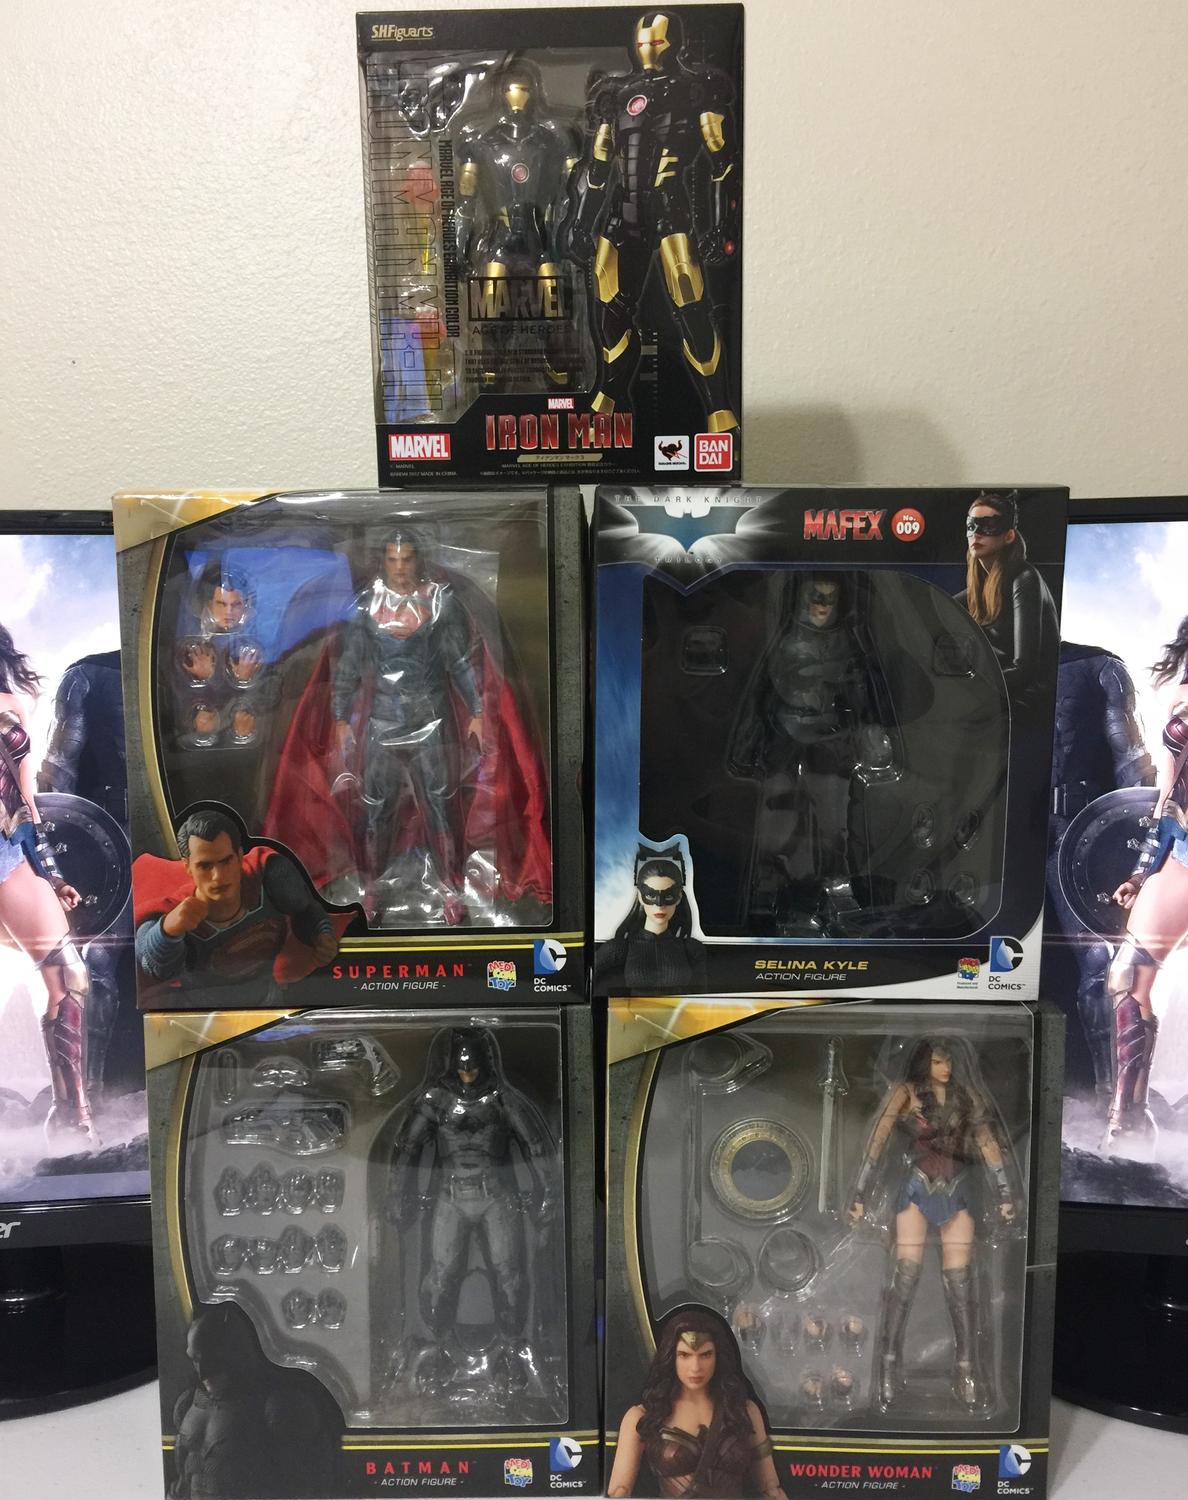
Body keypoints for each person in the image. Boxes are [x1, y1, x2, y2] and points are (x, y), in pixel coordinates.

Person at [562, 10, 740, 433]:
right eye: (643, 43)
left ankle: (718, 407)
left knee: (689, 297)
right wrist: (581, 223)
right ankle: (610, 392)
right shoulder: (616, 93)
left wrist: (723, 225)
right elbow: (598, 168)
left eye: (656, 42)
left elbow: (723, 163)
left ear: (674, 43)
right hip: (621, 211)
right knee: (609, 302)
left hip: (668, 209)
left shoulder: (696, 89)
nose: (648, 50)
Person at [848, 1040, 1018, 1411]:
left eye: (950, 1061)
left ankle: (966, 1369)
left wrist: (1006, 1194)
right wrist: (859, 1193)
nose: (946, 1068)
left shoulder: (967, 1095)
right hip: (917, 1186)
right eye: (939, 1061)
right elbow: (878, 1139)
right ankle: (888, 1365)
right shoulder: (906, 1093)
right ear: (925, 1062)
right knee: (905, 1274)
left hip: (958, 1188)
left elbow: (988, 1143)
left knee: (961, 1281)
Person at [386, 1027, 555, 1393]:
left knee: (509, 1278)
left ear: (485, 1065)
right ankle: (439, 1349)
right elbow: (406, 1148)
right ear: (452, 1066)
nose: (467, 1077)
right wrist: (399, 1196)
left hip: (495, 1194)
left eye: (473, 1069)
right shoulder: (436, 1100)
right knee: (439, 1278)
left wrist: (547, 1193)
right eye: (462, 1070)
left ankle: (511, 1350)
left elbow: (536, 1146)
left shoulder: (502, 1101)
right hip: (450, 1195)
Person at [332, 530, 483, 926]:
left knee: (441, 807)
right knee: (375, 809)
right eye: (393, 559)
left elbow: (460, 661)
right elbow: (349, 666)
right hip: (382, 720)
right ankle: (371, 889)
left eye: (407, 559)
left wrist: (478, 709)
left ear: (419, 560)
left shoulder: (439, 602)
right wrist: (340, 718)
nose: (400, 568)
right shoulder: (367, 606)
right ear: (383, 561)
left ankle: (450, 889)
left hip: (431, 719)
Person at [728, 574, 891, 935]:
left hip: (830, 738)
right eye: (816, 597)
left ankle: (837, 887)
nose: (822, 606)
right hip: (784, 737)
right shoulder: (784, 642)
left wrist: (871, 734)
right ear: (801, 600)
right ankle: (768, 885)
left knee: (835, 820)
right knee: (775, 818)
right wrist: (747, 742)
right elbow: (760, 697)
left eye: (830, 599)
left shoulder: (847, 644)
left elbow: (862, 697)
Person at [1045, 641, 1154, 1100]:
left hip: (1076, 841)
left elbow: (1133, 765)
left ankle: (1113, 1095)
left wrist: (1139, 856)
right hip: (1000, 846)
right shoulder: (979, 666)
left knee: (1100, 963)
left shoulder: (1095, 667)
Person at [0, 625, 95, 1140]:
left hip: (8, 851)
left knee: (66, 975)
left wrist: (51, 874)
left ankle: (71, 1119)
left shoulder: (11, 705)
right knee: (67, 974)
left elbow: (24, 800)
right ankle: (71, 1119)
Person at [1105, 614, 1188, 1148]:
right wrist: (1143, 869)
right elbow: (1169, 793)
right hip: (1183, 854)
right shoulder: (1181, 696)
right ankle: (1127, 1120)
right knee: (1128, 975)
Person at [134, 809, 338, 1005]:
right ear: (187, 866)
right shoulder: (173, 912)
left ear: (239, 857)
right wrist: (167, 932)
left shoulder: (268, 884)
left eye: (225, 861)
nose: (218, 876)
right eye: (205, 866)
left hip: (268, 1003)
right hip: (203, 1016)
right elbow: (150, 965)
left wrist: (321, 936)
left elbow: (305, 910)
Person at [607, 1305, 786, 1499]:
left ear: (717, 1356)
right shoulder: (643, 1416)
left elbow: (770, 1487)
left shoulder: (744, 1411)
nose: (695, 1367)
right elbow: (620, 1490)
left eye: (705, 1355)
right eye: (684, 1355)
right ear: (671, 1357)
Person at [956, 492, 1058, 709]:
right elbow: (937, 608)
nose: (976, 534)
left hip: (1029, 701)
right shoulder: (980, 588)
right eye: (971, 526)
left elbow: (1025, 670)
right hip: (998, 694)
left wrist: (968, 689)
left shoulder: (1025, 579)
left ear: (1009, 536)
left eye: (988, 525)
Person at [594, 846, 707, 994]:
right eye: (651, 895)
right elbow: (586, 982)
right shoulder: (620, 948)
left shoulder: (691, 949)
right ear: (640, 896)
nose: (659, 905)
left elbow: (703, 995)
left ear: (679, 897)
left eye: (668, 896)